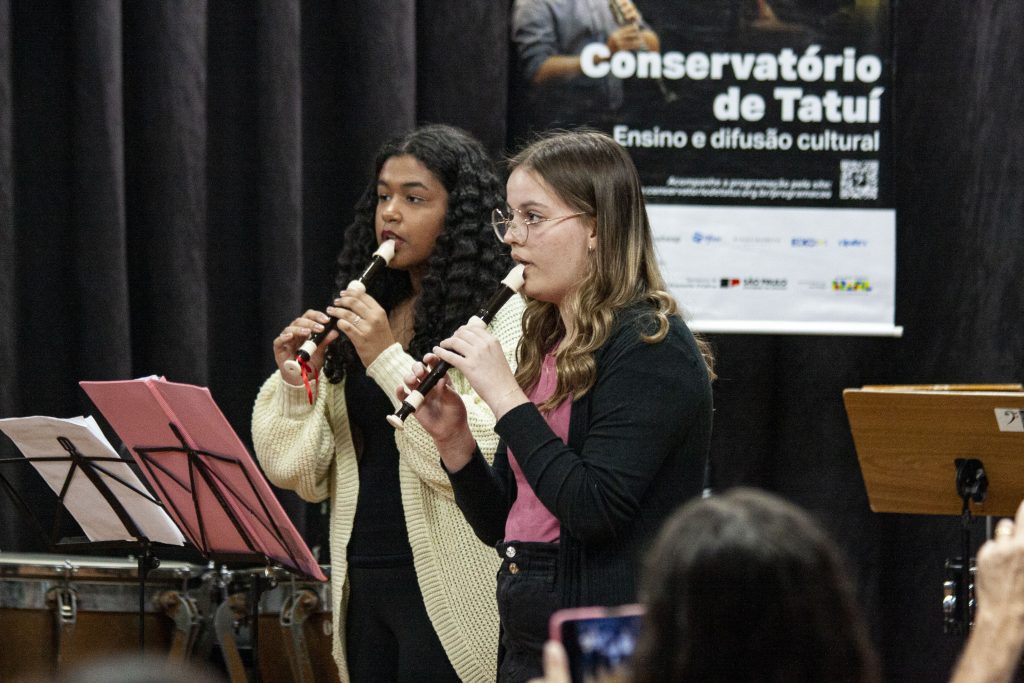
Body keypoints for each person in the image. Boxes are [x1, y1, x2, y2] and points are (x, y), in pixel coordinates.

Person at [405, 129, 715, 682]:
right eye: (510, 218)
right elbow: (505, 523)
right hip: (529, 636)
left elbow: (593, 510)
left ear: (596, 228)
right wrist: (454, 440)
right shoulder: (547, 344)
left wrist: (503, 397)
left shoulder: (651, 345)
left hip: (608, 643)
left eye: (533, 217)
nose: (513, 239)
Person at [251, 124, 524, 683]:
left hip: (453, 582)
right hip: (362, 580)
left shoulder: (503, 317)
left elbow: (482, 455)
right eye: (383, 196)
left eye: (414, 198)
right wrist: (294, 384)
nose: (391, 214)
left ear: (460, 215)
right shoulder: (368, 314)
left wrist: (383, 356)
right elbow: (298, 474)